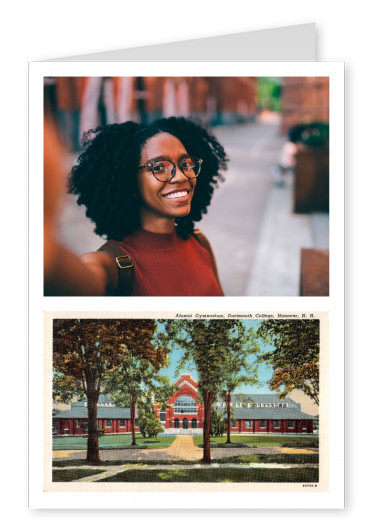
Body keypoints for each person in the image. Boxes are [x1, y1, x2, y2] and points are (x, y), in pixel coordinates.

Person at [46, 116, 227, 296]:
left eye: (186, 164)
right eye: (159, 167)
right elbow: (72, 279)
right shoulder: (111, 266)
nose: (181, 176)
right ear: (129, 181)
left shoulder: (200, 243)